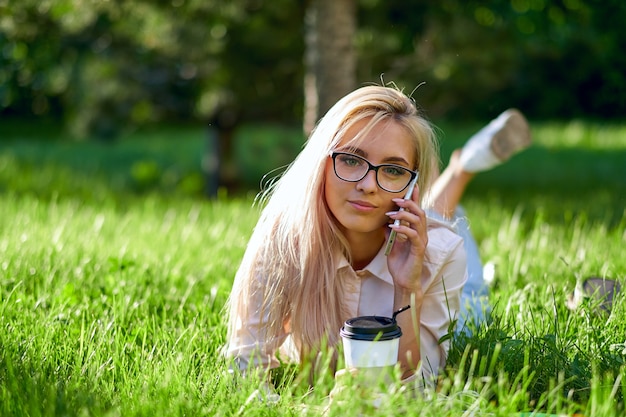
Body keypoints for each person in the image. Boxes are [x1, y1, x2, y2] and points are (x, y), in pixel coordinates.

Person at [224, 85, 531, 392]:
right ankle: (456, 168)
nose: (368, 185)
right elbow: (246, 369)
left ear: (413, 186)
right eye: (352, 160)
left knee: (467, 283)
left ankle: (462, 169)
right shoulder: (283, 240)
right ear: (321, 163)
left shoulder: (443, 252)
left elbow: (418, 388)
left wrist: (408, 287)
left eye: (394, 170)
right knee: (428, 215)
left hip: (459, 301)